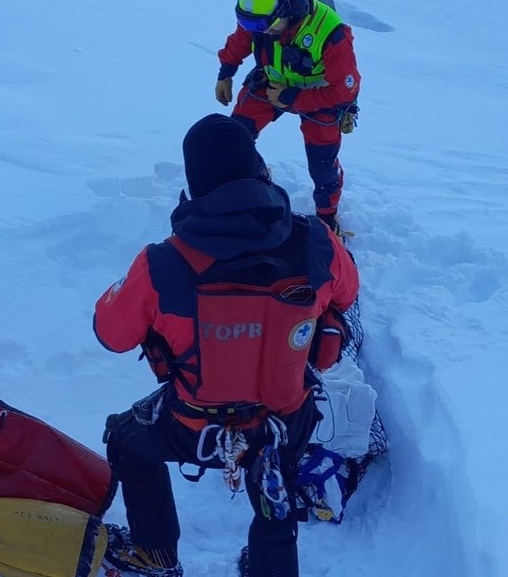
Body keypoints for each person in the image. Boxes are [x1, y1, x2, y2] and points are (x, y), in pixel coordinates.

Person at [94, 113, 360, 577]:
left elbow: (111, 334)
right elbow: (347, 293)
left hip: (193, 429)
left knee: (126, 438)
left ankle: (155, 554)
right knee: (276, 478)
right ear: (256, 167)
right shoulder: (315, 241)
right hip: (286, 420)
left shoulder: (164, 263)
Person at [215, 0, 361, 234]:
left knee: (322, 166)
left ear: (289, 7)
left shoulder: (330, 33)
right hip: (270, 83)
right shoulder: (263, 17)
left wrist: (293, 98)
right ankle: (256, 180)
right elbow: (241, 38)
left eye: (263, 26)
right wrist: (227, 70)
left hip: (320, 100)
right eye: (250, 23)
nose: (259, 31)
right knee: (236, 137)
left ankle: (328, 219)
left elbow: (345, 91)